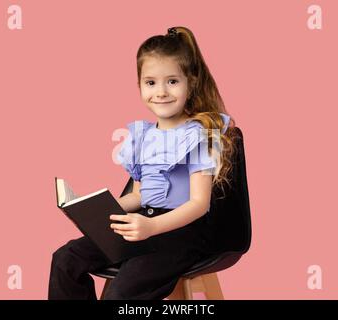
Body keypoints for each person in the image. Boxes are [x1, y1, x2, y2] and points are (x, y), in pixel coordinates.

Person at [48, 26, 239, 300]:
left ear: (191, 82)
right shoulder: (143, 137)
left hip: (182, 233)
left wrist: (152, 228)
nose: (161, 92)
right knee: (66, 258)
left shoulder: (198, 134)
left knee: (123, 290)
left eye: (172, 81)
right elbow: (139, 195)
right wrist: (94, 211)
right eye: (151, 83)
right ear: (139, 86)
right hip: (144, 225)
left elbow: (199, 204)